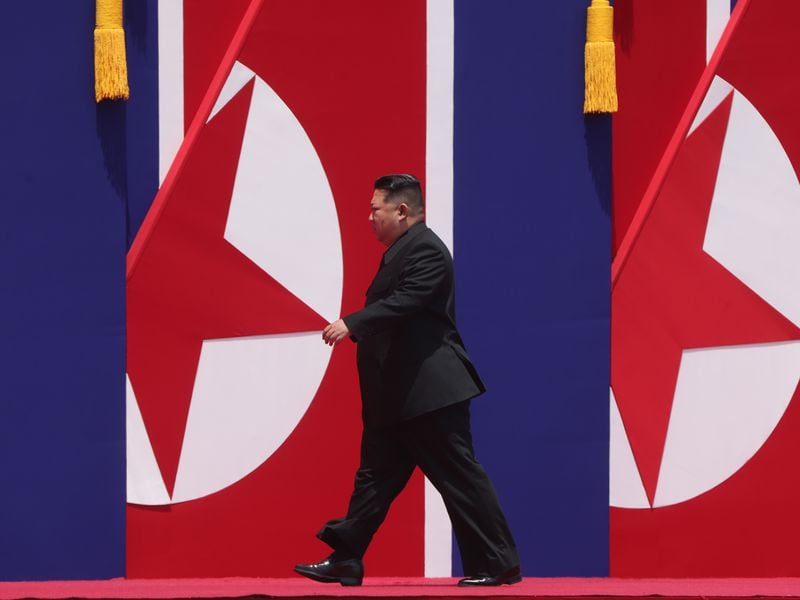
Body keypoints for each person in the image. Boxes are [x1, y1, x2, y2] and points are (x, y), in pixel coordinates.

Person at [294, 174, 520, 587]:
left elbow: (408, 300)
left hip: (430, 393)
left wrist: (353, 323)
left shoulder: (426, 250)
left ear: (401, 211)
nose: (369, 218)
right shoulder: (403, 250)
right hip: (398, 396)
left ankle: (497, 563)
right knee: (374, 479)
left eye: (375, 209)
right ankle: (346, 558)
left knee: (459, 476)